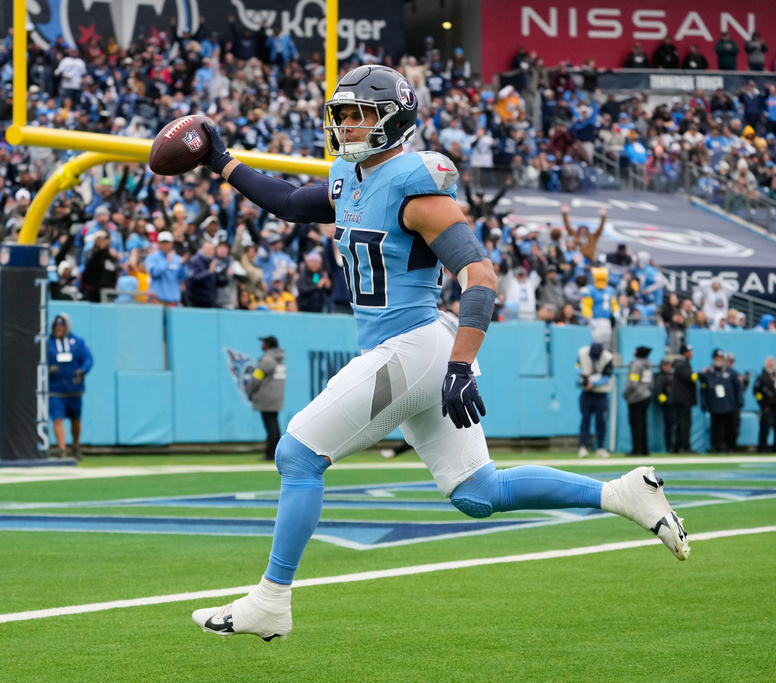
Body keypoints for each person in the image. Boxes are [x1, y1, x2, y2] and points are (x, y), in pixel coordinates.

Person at [190, 65, 689, 642]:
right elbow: (288, 202)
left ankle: (271, 601)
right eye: (342, 114)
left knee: (299, 454)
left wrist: (458, 363)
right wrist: (221, 161)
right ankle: (620, 493)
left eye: (360, 114)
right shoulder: (349, 178)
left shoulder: (413, 184)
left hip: (418, 347)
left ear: (394, 119)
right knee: (479, 493)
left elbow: (480, 275)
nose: (347, 125)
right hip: (411, 351)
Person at [47, 314, 93, 460]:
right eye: (56, 326)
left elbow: (88, 359)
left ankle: (76, 445)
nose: (58, 329)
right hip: (55, 389)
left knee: (76, 420)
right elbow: (39, 360)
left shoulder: (78, 342)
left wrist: (82, 371)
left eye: (61, 326)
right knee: (57, 419)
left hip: (74, 389)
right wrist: (48, 368)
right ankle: (62, 449)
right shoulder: (48, 343)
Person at [246, 336, 286, 462]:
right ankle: (276, 451)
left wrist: (250, 391)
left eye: (263, 342)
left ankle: (271, 452)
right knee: (274, 424)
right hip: (276, 396)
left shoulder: (267, 360)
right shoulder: (279, 359)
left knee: (270, 425)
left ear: (267, 345)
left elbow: (256, 378)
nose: (262, 345)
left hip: (266, 396)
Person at [699, 349, 742, 453]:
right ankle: (716, 447)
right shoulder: (709, 373)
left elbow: (738, 387)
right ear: (713, 359)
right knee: (715, 428)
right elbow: (703, 389)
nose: (719, 360)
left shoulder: (731, 372)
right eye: (716, 358)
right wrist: (704, 403)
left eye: (720, 358)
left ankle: (730, 447)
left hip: (729, 405)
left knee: (730, 427)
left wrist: (739, 401)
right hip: (715, 405)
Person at [578, 342, 614, 458]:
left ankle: (601, 448)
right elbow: (577, 365)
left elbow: (607, 377)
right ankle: (582, 447)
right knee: (585, 421)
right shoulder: (582, 352)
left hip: (601, 394)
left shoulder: (608, 357)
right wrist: (581, 373)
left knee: (601, 422)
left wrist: (593, 383)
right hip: (587, 394)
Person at [623, 346, 653, 456]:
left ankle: (637, 449)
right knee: (643, 424)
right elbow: (651, 383)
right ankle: (644, 449)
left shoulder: (637, 364)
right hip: (646, 395)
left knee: (636, 424)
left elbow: (633, 383)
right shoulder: (648, 365)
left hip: (636, 398)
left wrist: (625, 394)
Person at [670, 344, 698, 453]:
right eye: (689, 351)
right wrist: (700, 375)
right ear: (684, 352)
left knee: (679, 424)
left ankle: (677, 446)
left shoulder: (680, 363)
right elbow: (689, 378)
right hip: (683, 399)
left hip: (680, 399)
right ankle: (684, 446)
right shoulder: (681, 364)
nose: (691, 353)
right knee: (684, 424)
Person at [653, 357, 676, 453]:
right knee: (669, 426)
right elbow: (658, 391)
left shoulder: (673, 375)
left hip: (675, 404)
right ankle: (669, 446)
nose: (667, 367)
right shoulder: (659, 376)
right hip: (667, 406)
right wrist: (665, 400)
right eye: (665, 365)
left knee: (676, 426)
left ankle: (676, 446)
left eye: (668, 365)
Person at [754, 356, 776, 453]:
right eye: (769, 363)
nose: (770, 365)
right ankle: (762, 448)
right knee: (765, 429)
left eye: (772, 363)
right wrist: (762, 403)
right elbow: (756, 392)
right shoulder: (761, 377)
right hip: (767, 408)